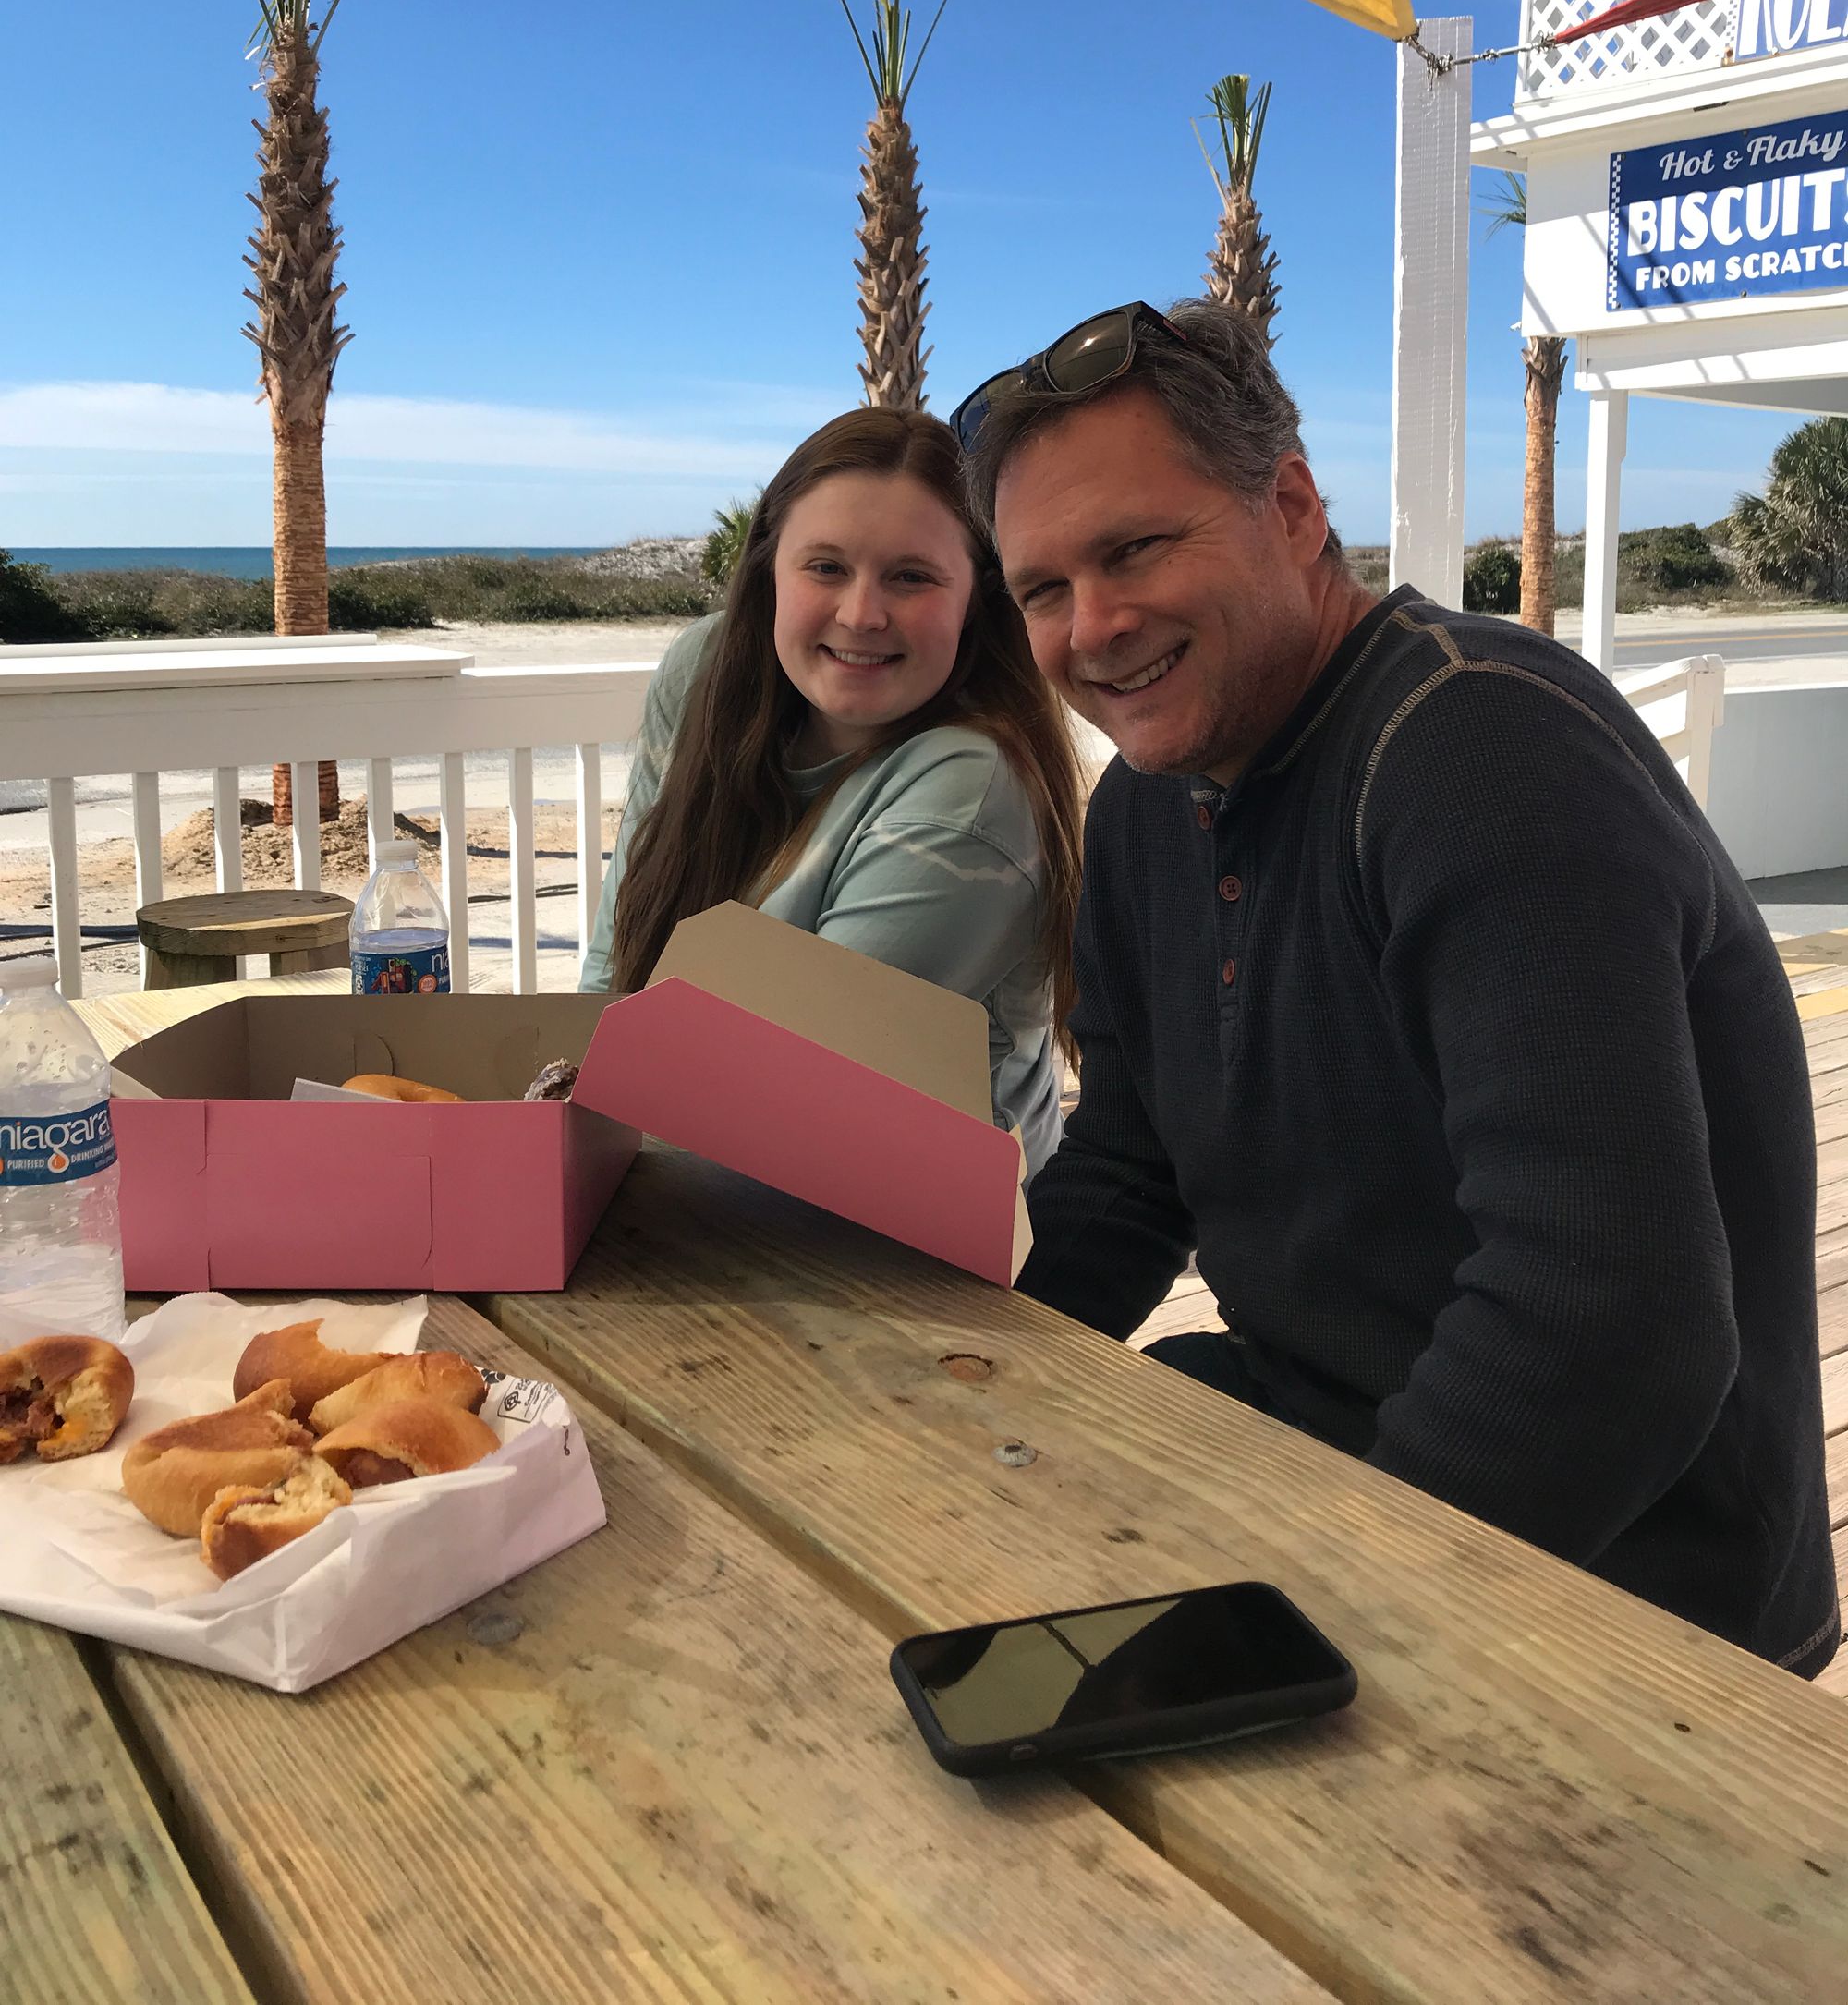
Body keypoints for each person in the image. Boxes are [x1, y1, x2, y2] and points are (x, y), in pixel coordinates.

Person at [957, 296, 1839, 1679]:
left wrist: (1308, 1620)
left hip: (1621, 1582)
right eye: (1043, 591)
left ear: (1292, 508)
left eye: (1133, 548)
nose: (1094, 625)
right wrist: (946, 1368)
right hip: (1317, 1452)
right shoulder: (1144, 805)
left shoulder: (1474, 743)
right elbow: (1129, 1175)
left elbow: (1610, 1319)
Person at [579, 407, 1084, 1173]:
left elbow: (782, 1094)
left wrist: (573, 1151)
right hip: (682, 1171)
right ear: (768, 570)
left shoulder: (971, 788)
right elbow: (615, 957)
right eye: (825, 567)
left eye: (911, 577)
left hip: (903, 1220)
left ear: (975, 599)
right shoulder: (702, 676)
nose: (861, 613)